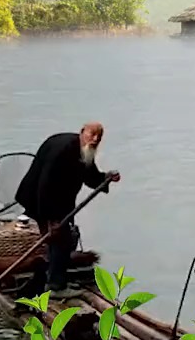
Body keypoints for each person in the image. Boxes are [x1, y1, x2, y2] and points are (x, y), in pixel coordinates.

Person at [16, 122, 120, 292]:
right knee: (61, 239)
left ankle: (51, 276)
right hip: (40, 198)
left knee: (62, 240)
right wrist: (49, 220)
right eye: (91, 134)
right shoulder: (62, 150)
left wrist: (106, 178)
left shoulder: (85, 150)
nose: (94, 139)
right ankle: (56, 286)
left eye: (99, 137)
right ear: (82, 132)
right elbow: (44, 185)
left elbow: (90, 177)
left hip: (61, 202)